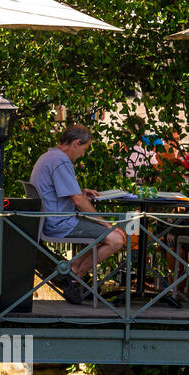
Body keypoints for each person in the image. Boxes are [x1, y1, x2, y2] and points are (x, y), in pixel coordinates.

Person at [29, 125, 127, 305]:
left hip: (50, 219)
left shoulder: (48, 157)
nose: (82, 154)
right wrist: (106, 224)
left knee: (109, 235)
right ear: (76, 143)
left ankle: (73, 272)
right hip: (60, 223)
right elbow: (78, 202)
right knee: (116, 239)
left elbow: (63, 193)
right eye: (84, 149)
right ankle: (75, 277)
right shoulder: (61, 161)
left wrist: (81, 191)